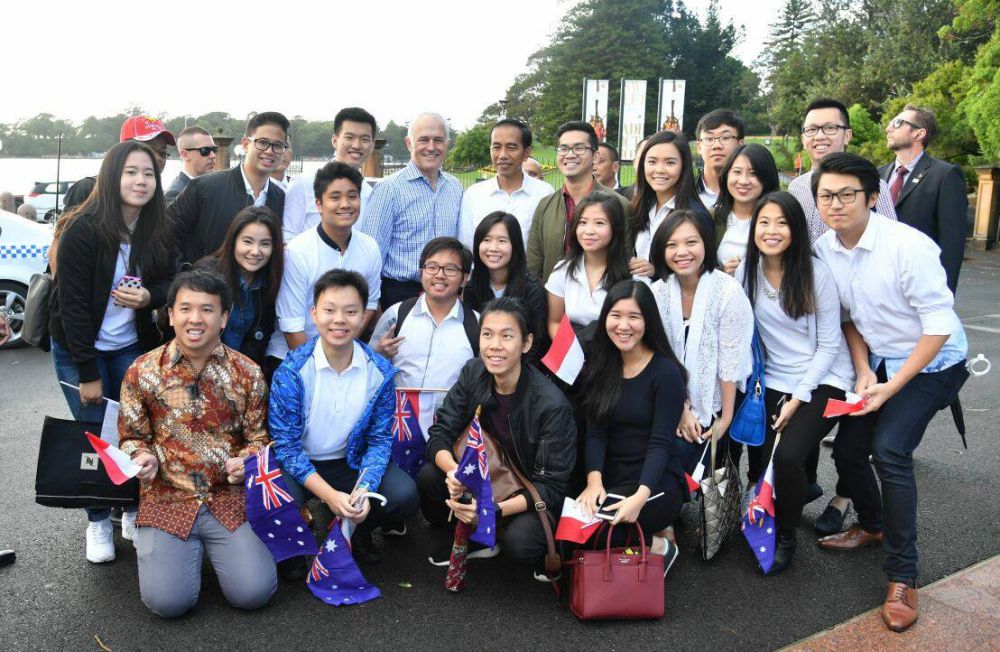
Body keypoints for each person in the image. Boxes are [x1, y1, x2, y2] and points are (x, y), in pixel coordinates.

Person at [812, 153, 968, 633]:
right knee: (850, 452)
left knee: (890, 450)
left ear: (873, 198)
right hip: (878, 363)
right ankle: (874, 525)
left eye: (846, 194)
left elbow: (939, 326)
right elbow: (846, 317)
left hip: (933, 362)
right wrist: (863, 372)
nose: (835, 204)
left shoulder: (907, 246)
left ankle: (903, 576)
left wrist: (890, 388)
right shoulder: (824, 248)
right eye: (825, 196)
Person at [118, 270, 276, 618]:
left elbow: (259, 439)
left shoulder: (248, 372)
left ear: (224, 318)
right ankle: (182, 555)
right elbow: (131, 436)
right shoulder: (141, 371)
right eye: (185, 308)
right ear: (170, 314)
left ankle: (216, 551)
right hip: (167, 496)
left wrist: (246, 462)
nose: (195, 318)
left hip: (228, 497)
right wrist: (142, 458)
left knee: (254, 593)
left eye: (207, 309)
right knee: (167, 604)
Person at [48, 140, 174, 563]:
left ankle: (131, 510)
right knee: (93, 435)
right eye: (131, 172)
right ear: (111, 176)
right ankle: (97, 519)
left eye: (149, 173)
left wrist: (150, 297)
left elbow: (174, 279)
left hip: (128, 347)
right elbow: (73, 307)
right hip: (78, 348)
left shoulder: (154, 228)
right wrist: (87, 372)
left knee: (133, 431)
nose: (141, 181)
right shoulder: (83, 229)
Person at [735, 191, 855, 573]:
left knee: (787, 457)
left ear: (796, 230)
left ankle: (785, 534)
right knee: (762, 461)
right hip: (771, 378)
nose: (772, 231)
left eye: (782, 223)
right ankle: (781, 505)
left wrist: (798, 398)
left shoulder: (815, 273)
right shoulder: (745, 272)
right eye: (764, 222)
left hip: (823, 378)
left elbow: (829, 345)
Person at [269, 269, 420, 569]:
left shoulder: (379, 372)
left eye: (350, 311)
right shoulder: (291, 371)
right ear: (314, 314)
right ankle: (296, 543)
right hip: (301, 462)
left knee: (404, 496)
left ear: (363, 316)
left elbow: (379, 440)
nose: (339, 320)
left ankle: (355, 528)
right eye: (329, 310)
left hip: (349, 462)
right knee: (277, 495)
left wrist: (362, 491)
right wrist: (329, 495)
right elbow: (286, 448)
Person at [417, 296, 576, 566]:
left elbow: (550, 488)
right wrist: (455, 473)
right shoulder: (474, 372)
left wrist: (491, 510)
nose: (495, 346)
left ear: (526, 343)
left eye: (507, 336)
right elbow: (440, 433)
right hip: (485, 477)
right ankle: (471, 535)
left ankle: (491, 529)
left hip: (523, 493)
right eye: (488, 334)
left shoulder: (551, 404)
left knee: (521, 543)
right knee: (430, 476)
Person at [578, 280, 688, 573]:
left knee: (600, 535)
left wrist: (640, 498)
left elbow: (661, 442)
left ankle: (661, 547)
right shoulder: (601, 363)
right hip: (612, 477)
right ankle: (644, 539)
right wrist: (594, 482)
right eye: (616, 315)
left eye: (634, 317)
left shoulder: (666, 373)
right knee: (573, 533)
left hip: (655, 482)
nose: (623, 325)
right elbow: (596, 432)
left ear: (647, 321)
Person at [649, 210, 753, 468]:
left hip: (718, 397)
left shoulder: (727, 291)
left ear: (706, 243)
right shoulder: (657, 292)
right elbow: (659, 357)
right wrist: (681, 410)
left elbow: (730, 362)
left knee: (695, 461)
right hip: (671, 397)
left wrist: (724, 419)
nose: (681, 252)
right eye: (671, 245)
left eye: (691, 242)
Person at [270, 162, 381, 366]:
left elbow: (371, 304)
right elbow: (292, 326)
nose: (345, 204)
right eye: (335, 197)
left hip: (347, 358)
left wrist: (344, 352)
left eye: (352, 196)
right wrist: (322, 367)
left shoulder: (370, 247)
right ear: (319, 204)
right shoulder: (296, 252)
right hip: (294, 359)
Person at [359, 112, 463, 309]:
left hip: (446, 294)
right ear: (409, 143)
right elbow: (371, 256)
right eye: (423, 140)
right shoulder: (389, 189)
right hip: (400, 295)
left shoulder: (454, 187)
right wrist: (374, 308)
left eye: (438, 140)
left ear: (447, 143)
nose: (431, 147)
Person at [370, 237, 478, 422]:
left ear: (465, 278)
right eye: (432, 267)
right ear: (421, 272)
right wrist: (378, 354)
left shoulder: (477, 324)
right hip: (398, 423)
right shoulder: (397, 315)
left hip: (450, 426)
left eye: (450, 269)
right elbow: (368, 369)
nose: (439, 275)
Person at [170, 111, 289, 265]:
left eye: (278, 145)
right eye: (262, 142)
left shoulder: (280, 197)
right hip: (205, 285)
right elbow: (168, 235)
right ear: (246, 144)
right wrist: (184, 278)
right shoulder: (205, 187)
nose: (269, 151)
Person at [527, 121, 630, 284]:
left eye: (579, 148)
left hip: (603, 301)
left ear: (595, 156)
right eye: (563, 148)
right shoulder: (545, 206)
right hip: (553, 303)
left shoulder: (619, 204)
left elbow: (627, 259)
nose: (570, 155)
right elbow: (533, 268)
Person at [881, 104, 967, 294]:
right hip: (878, 284)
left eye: (897, 123)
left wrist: (944, 294)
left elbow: (952, 242)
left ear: (919, 133)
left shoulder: (945, 175)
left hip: (920, 284)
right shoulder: (876, 176)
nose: (888, 128)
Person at [787, 99, 897, 244]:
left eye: (830, 128)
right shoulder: (796, 187)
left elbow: (890, 238)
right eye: (811, 130)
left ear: (847, 135)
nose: (819, 136)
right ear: (803, 139)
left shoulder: (872, 184)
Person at [190, 206, 283, 371]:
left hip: (241, 375)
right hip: (198, 368)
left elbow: (260, 339)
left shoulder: (270, 282)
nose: (256, 251)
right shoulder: (207, 274)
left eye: (265, 244)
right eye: (247, 241)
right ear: (233, 241)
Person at [545, 192, 633, 343]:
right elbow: (555, 322)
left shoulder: (633, 274)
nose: (589, 231)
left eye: (599, 223)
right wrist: (572, 354)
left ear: (615, 228)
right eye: (582, 222)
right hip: (575, 354)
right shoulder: (562, 271)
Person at [463, 211, 548, 364]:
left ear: (515, 245)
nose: (493, 248)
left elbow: (536, 342)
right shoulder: (470, 289)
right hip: (482, 368)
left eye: (502, 241)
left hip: (522, 371)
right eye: (486, 240)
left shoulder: (532, 289)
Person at [282, 107, 378, 242]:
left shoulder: (369, 194)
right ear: (334, 140)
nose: (356, 145)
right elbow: (287, 236)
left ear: (372, 145)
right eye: (349, 137)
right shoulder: (304, 183)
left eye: (365, 139)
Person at [458, 119, 553, 250]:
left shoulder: (544, 193)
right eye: (496, 147)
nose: (502, 155)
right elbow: (466, 243)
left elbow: (548, 244)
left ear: (526, 153)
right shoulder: (474, 194)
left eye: (511, 147)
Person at [629, 130, 712, 267]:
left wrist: (655, 272)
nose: (659, 169)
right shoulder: (640, 206)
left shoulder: (695, 214)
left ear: (683, 166)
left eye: (670, 163)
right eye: (652, 162)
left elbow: (701, 269)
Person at [63, 116, 176, 210]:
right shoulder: (87, 189)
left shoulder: (157, 197)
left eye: (162, 153)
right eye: (149, 150)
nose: (158, 158)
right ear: (124, 150)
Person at [714, 144, 780, 275]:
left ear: (766, 178)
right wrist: (723, 272)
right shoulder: (712, 218)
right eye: (737, 172)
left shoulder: (780, 220)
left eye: (753, 173)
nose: (743, 181)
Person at [694, 109, 746, 208]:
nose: (717, 145)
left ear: (740, 144)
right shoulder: (683, 195)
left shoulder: (752, 195)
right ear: (699, 147)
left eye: (726, 138)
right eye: (709, 139)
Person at [166, 126, 217, 203]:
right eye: (205, 150)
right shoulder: (176, 194)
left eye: (214, 150)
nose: (213, 155)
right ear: (185, 155)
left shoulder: (216, 185)